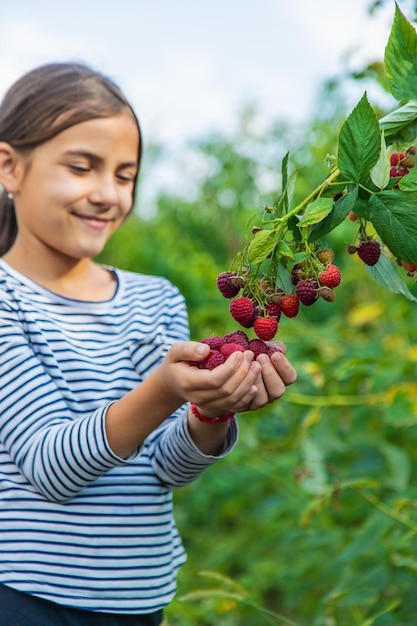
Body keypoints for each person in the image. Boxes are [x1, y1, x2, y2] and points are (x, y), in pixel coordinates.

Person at [0, 62, 297, 626]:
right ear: (10, 167)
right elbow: (49, 466)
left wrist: (208, 412)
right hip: (27, 599)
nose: (106, 194)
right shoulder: (6, 300)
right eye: (82, 167)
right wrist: (164, 389)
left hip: (140, 600)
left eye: (124, 175)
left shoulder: (154, 299)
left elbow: (165, 467)